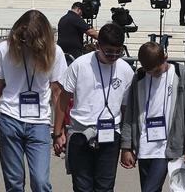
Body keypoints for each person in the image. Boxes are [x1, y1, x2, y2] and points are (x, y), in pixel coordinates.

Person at [0, 10, 68, 192]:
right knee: (14, 183)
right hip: (9, 118)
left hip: (39, 123)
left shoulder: (55, 52)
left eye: (30, 41)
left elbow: (57, 93)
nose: (26, 45)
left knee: (40, 181)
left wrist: (59, 130)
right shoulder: (3, 49)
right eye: (23, 40)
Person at [53, 23, 134, 192]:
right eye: (108, 52)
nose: (113, 56)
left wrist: (127, 143)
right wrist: (58, 132)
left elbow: (127, 109)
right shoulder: (80, 65)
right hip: (80, 133)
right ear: (98, 46)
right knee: (82, 187)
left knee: (105, 187)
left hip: (110, 135)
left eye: (117, 52)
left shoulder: (126, 70)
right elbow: (63, 99)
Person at [120, 42, 185, 192]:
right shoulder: (139, 77)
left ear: (165, 57)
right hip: (144, 146)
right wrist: (126, 146)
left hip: (166, 146)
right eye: (148, 71)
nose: (153, 74)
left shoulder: (181, 74)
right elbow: (130, 114)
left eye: (156, 71)